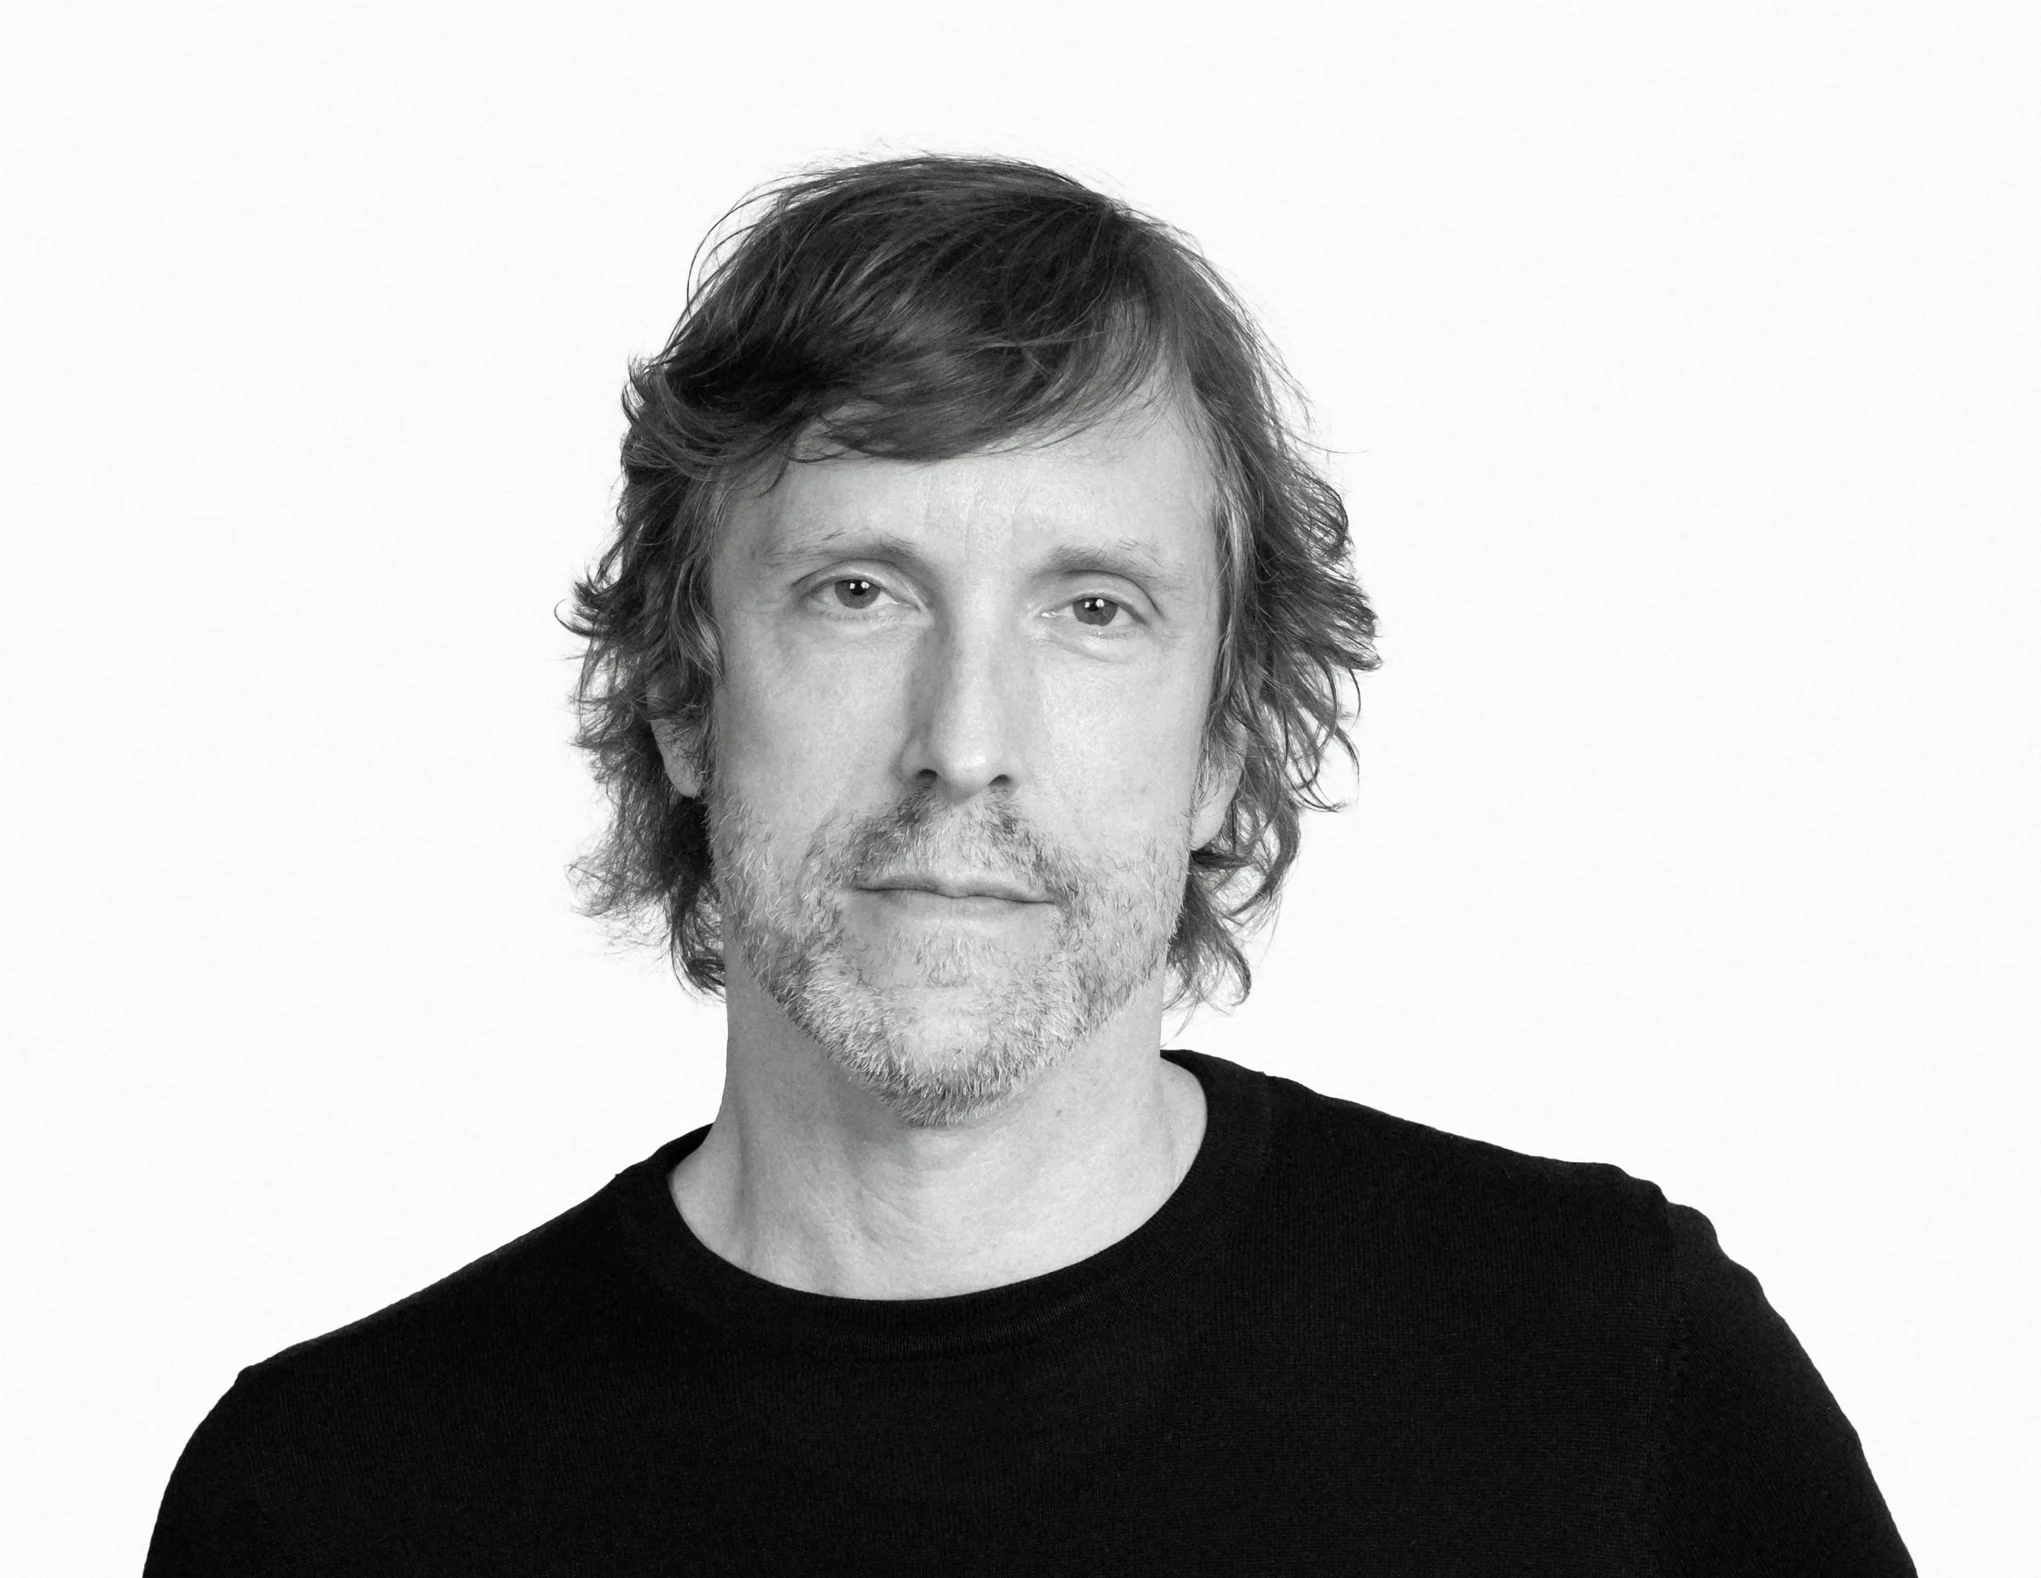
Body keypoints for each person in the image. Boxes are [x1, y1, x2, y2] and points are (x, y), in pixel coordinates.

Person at [144, 154, 1915, 1574]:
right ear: (688, 696)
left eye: (1092, 608)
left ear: (1226, 734)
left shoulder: (1612, 1377)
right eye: (859, 590)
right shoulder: (333, 1503)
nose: (964, 733)